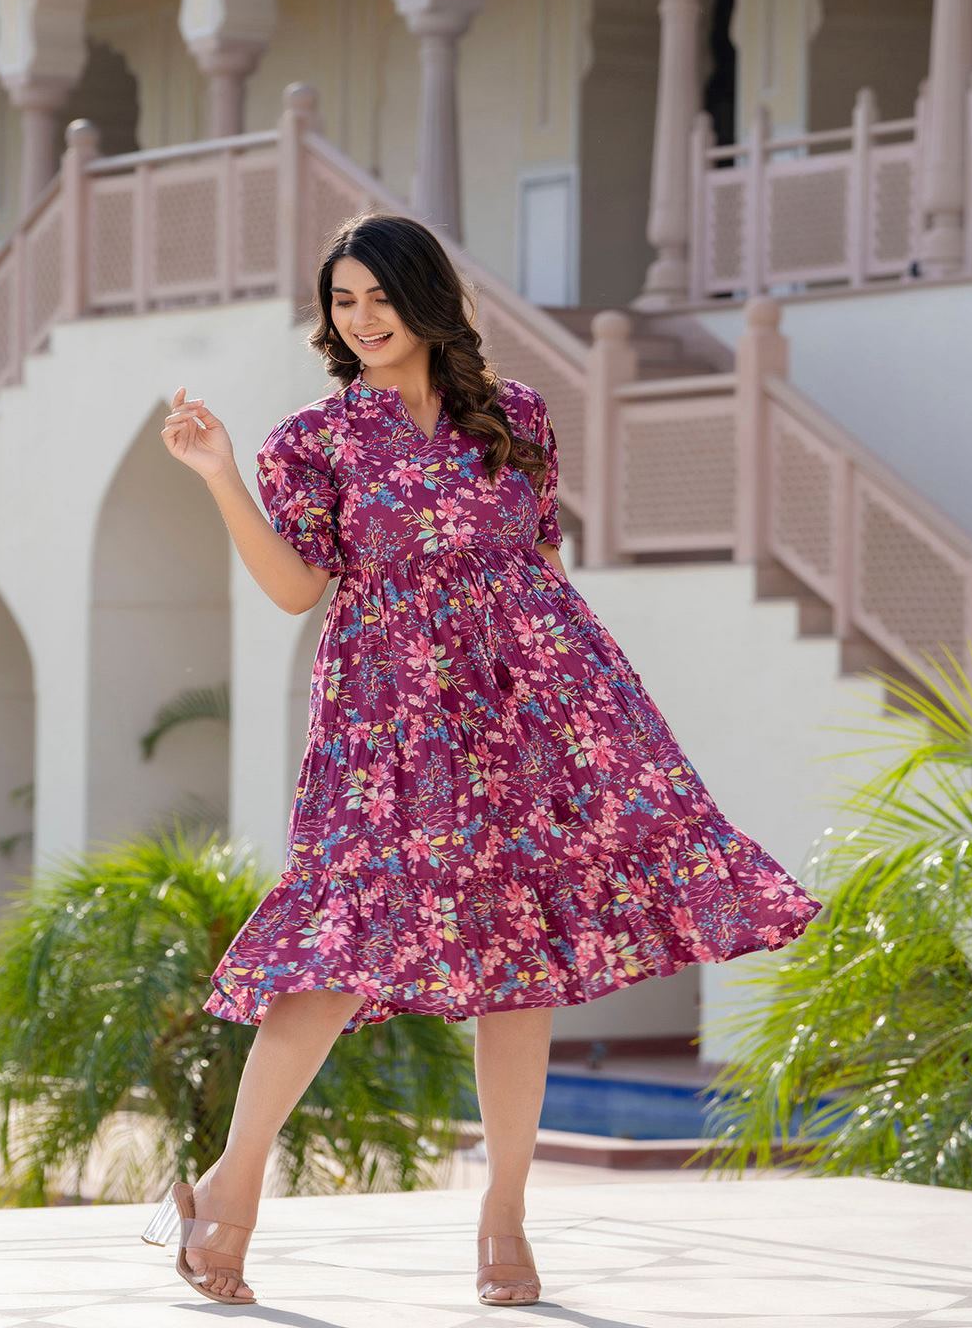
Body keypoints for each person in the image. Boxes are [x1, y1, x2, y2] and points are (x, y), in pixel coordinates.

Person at [147, 211, 824, 1306]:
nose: (361, 319)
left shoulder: (517, 418)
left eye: (380, 296)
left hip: (530, 707)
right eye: (343, 301)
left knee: (521, 950)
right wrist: (220, 473)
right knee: (338, 939)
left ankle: (504, 1212)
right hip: (390, 721)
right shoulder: (311, 442)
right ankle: (233, 1185)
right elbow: (295, 589)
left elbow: (538, 565)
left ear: (427, 298)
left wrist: (586, 718)